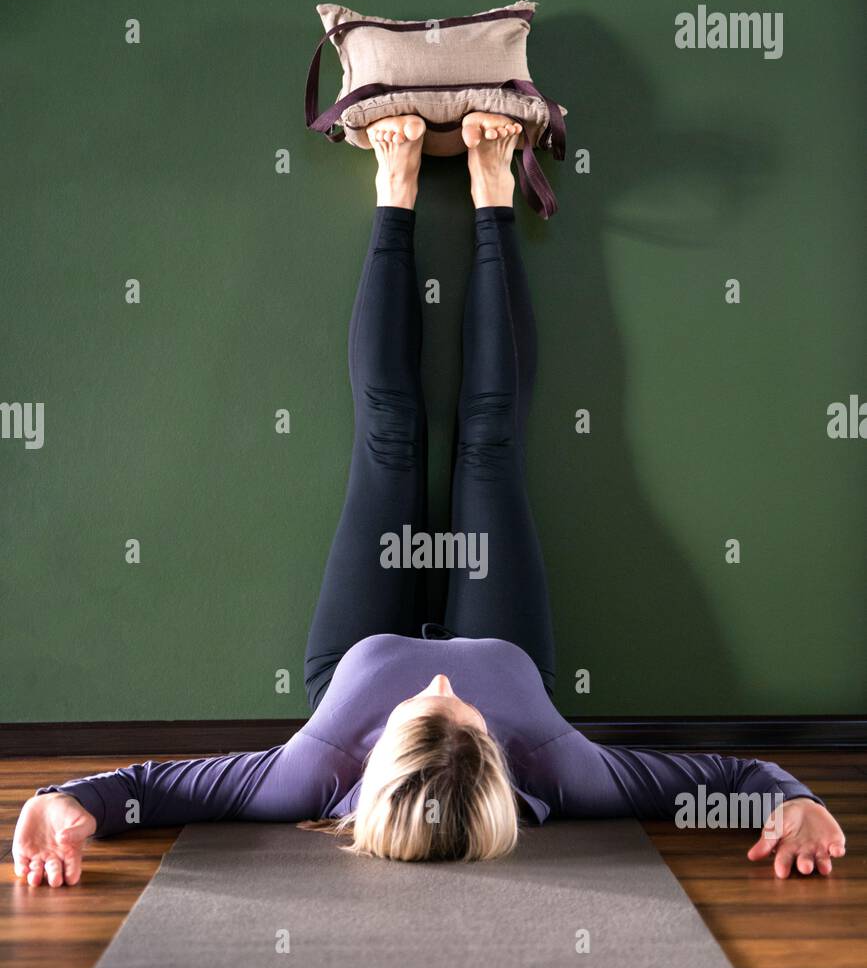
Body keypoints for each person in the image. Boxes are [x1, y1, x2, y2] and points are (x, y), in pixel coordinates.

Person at [13, 113, 846, 882]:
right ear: (505, 756)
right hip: (508, 644)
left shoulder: (313, 767)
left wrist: (62, 798)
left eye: (425, 704)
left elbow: (156, 789)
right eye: (469, 712)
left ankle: (395, 194)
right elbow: (728, 776)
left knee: (389, 438)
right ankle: (491, 195)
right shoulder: (560, 764)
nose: (445, 680)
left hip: (354, 656)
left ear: (367, 760)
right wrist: (796, 801)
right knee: (489, 443)